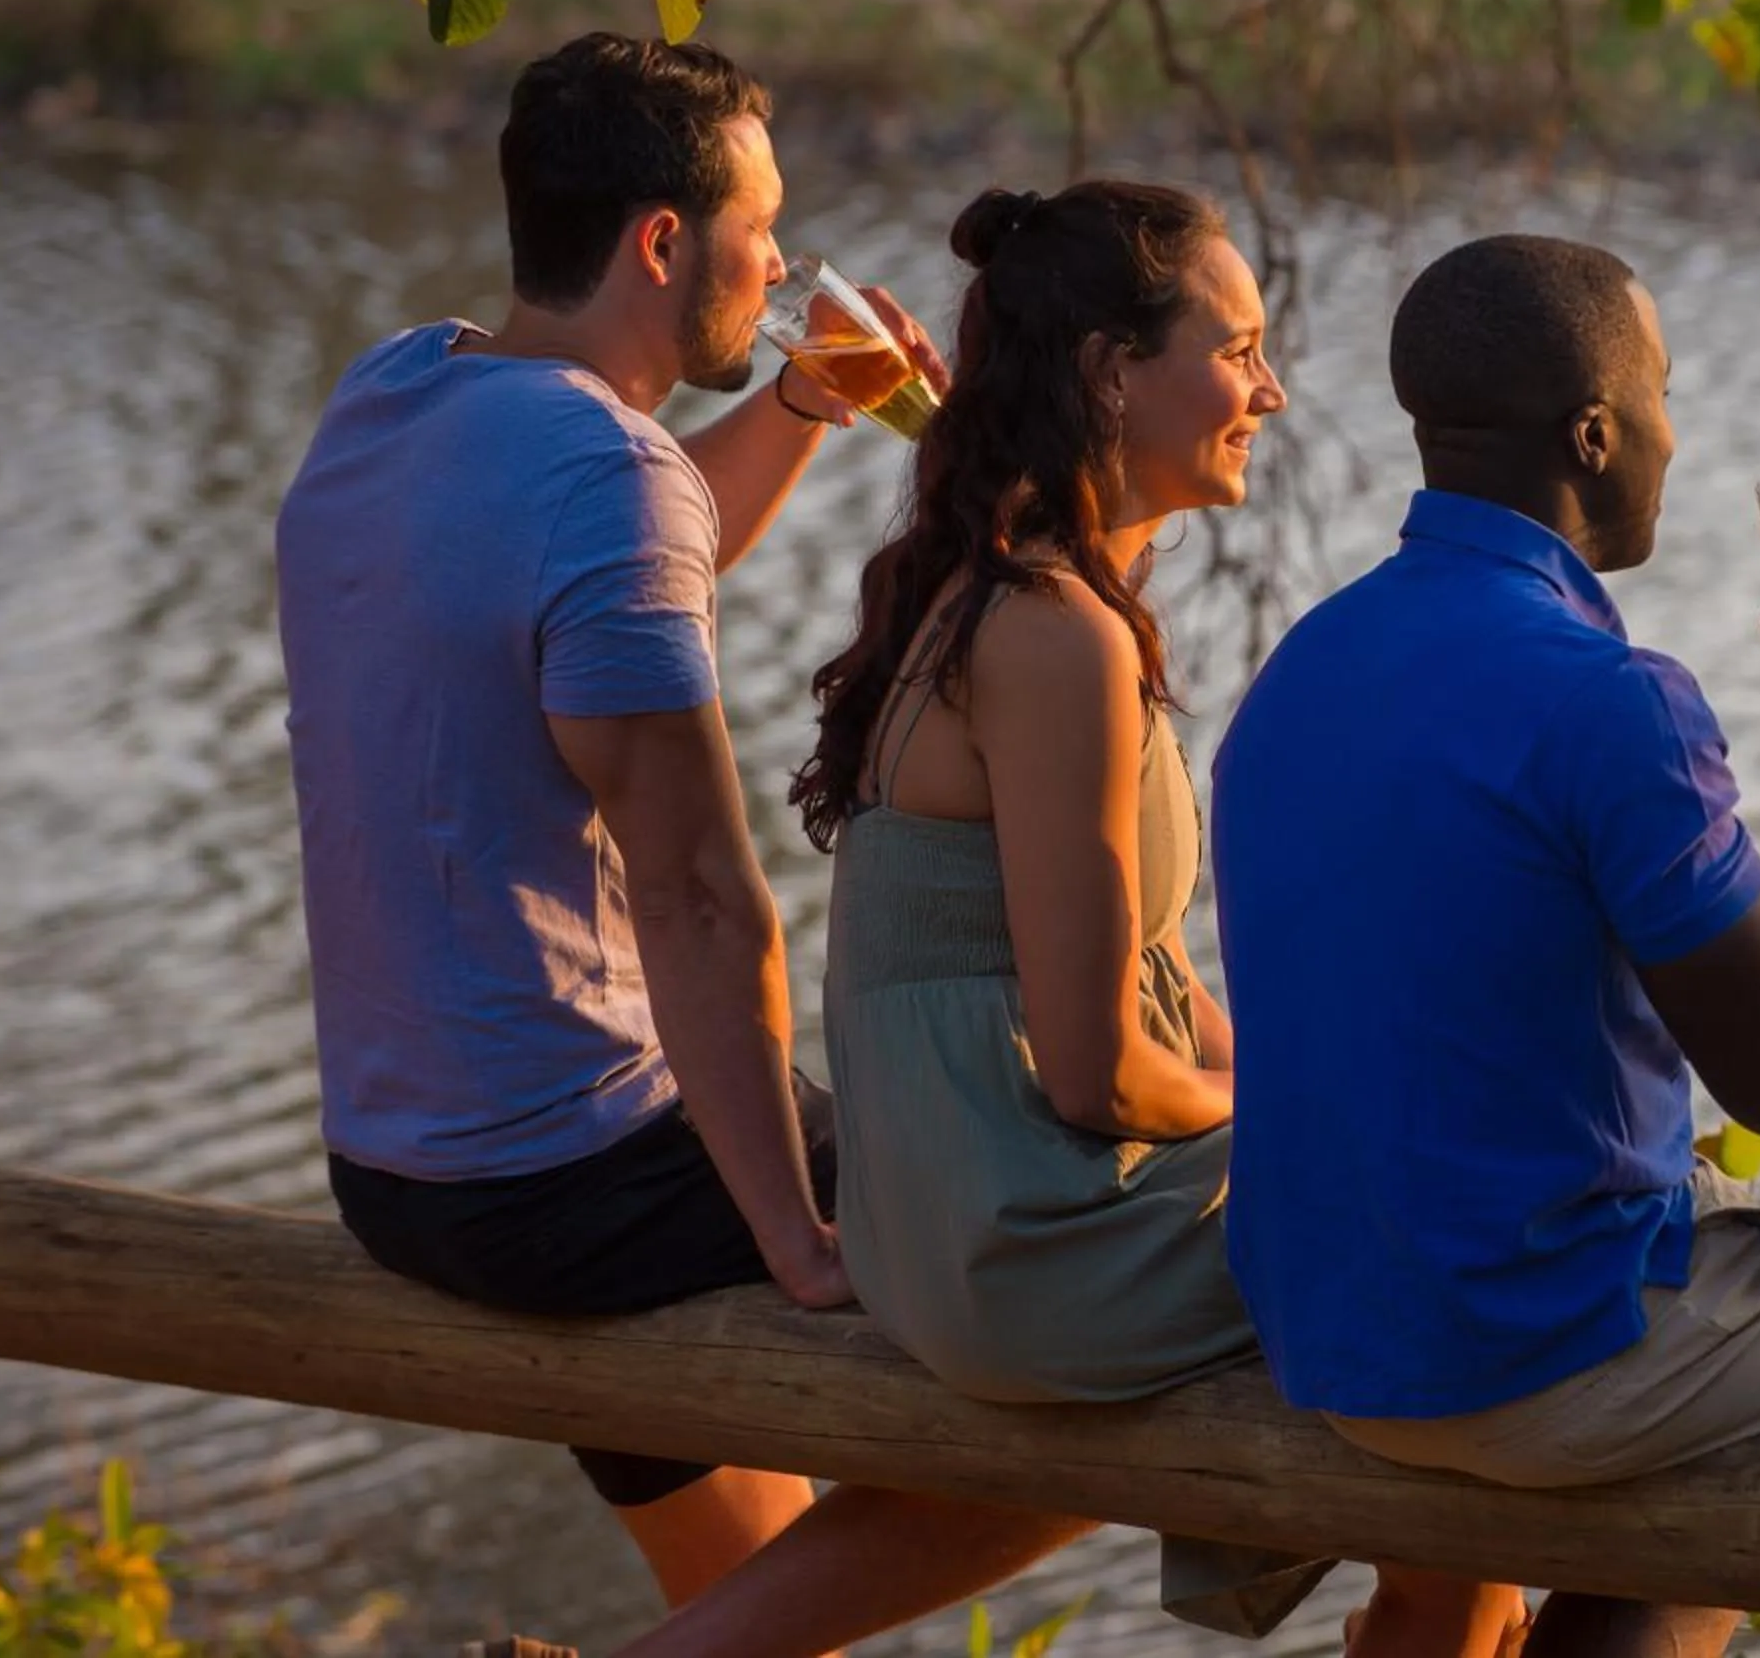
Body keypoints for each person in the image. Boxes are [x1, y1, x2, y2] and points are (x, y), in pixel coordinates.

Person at [604, 182, 1522, 1658]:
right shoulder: (1055, 635)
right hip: (1019, 1242)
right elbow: (1101, 1077)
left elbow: (1147, 982)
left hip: (960, 1225)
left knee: (1434, 1194)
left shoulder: (1014, 597)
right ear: (1109, 369)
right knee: (1483, 1273)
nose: (1270, 391)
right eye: (1238, 350)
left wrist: (1335, 1091)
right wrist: (1307, 1111)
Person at [276, 31, 1070, 1612]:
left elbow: (634, 545)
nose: (783, 261)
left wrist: (800, 403)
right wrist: (790, 1232)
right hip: (573, 1175)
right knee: (1096, 1334)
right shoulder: (603, 475)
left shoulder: (400, 390)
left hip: (395, 1167)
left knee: (766, 1603)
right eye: (761, 231)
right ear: (661, 241)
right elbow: (708, 904)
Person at [1211, 234, 1760, 1658]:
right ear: (1595, 437)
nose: (1677, 430)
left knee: (1719, 1452)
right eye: (1661, 393)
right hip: (1522, 1349)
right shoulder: (1613, 704)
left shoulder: (1305, 665)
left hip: (1335, 1340)